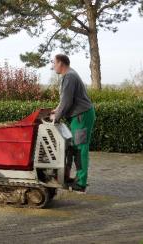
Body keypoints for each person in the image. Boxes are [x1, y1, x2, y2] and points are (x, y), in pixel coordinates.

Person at [50, 54, 95, 192]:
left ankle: (81, 183)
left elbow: (67, 102)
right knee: (75, 147)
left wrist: (56, 118)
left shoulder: (69, 77)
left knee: (80, 149)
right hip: (80, 116)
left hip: (81, 116)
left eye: (54, 63)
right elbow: (65, 100)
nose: (53, 66)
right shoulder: (70, 74)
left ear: (61, 63)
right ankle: (75, 178)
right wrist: (56, 110)